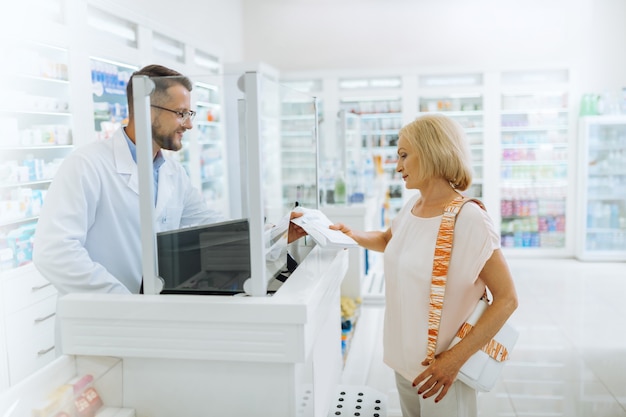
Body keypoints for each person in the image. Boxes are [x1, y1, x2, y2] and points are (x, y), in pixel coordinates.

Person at [33, 64, 305, 296]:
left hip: (152, 316)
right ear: (147, 110)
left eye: (189, 114)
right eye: (181, 113)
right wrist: (121, 301)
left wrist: (276, 234)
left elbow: (211, 228)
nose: (189, 124)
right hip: (101, 323)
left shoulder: (172, 172)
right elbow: (55, 252)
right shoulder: (86, 165)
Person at [330, 114, 518, 417]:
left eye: (404, 155)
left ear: (432, 152)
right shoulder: (412, 207)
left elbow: (507, 299)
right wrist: (349, 234)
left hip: (443, 371)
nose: (398, 166)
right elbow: (387, 240)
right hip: (406, 363)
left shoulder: (468, 218)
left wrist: (454, 361)